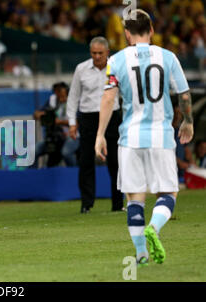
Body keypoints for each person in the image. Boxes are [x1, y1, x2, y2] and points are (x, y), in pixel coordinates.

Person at [95, 9, 194, 267]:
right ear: (151, 31)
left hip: (130, 138)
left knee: (134, 198)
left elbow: (108, 98)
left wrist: (99, 135)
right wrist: (188, 121)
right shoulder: (168, 56)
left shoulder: (115, 61)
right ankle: (154, 227)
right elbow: (183, 94)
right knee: (169, 193)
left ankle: (140, 254)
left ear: (127, 34)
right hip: (160, 135)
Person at [67, 36, 123, 213]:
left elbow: (126, 94)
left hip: (112, 117)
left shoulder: (116, 67)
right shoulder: (81, 69)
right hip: (88, 118)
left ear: (107, 52)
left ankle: (117, 203)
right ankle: (86, 204)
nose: (97, 56)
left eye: (100, 53)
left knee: (115, 161)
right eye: (93, 53)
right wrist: (71, 122)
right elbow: (73, 96)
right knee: (86, 162)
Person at [34, 82, 76, 167]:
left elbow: (77, 122)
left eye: (62, 93)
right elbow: (38, 113)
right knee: (34, 151)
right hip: (53, 136)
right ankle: (32, 176)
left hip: (71, 136)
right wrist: (40, 115)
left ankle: (75, 173)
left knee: (66, 152)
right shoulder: (52, 100)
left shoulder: (74, 102)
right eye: (57, 92)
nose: (60, 96)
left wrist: (59, 122)